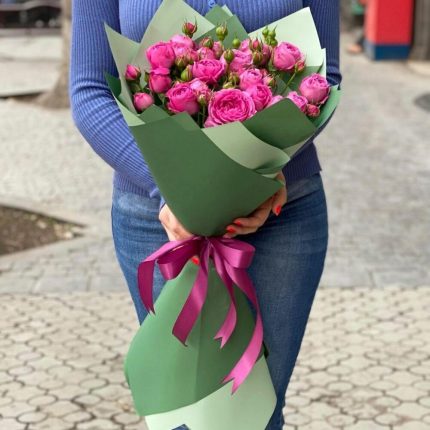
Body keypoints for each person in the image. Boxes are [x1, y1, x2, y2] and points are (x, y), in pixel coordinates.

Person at [70, 1, 341, 429]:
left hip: (280, 216)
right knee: (184, 416)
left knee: (255, 414)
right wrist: (174, 191)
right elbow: (89, 91)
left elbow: (324, 79)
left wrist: (261, 173)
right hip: (159, 219)